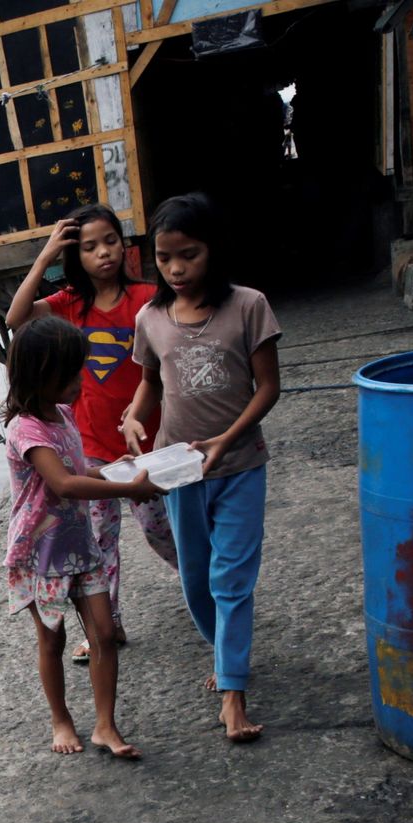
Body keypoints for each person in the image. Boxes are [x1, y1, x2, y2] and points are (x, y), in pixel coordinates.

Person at [121, 193, 282, 744]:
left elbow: (268, 388)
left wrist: (225, 439)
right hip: (178, 470)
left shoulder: (249, 306)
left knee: (231, 578)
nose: (176, 269)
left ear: (212, 249)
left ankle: (233, 693)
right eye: (164, 258)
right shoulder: (151, 317)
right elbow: (147, 383)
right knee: (196, 579)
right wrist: (133, 421)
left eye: (187, 254)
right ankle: (225, 651)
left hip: (239, 464)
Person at [6, 204, 180, 662]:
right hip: (92, 457)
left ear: (124, 245)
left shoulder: (146, 297)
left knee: (162, 533)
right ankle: (110, 624)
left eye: (110, 241)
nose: (103, 253)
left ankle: (209, 591)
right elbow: (16, 319)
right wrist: (43, 259)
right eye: (88, 247)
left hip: (144, 447)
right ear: (74, 256)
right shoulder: (68, 305)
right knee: (101, 544)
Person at [2, 317, 162, 758]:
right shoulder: (26, 430)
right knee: (51, 640)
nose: (80, 382)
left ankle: (105, 726)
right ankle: (61, 719)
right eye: (71, 374)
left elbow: (80, 474)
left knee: (104, 634)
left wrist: (118, 473)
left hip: (81, 546)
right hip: (41, 554)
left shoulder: (66, 415)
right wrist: (130, 490)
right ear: (41, 375)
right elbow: (64, 485)